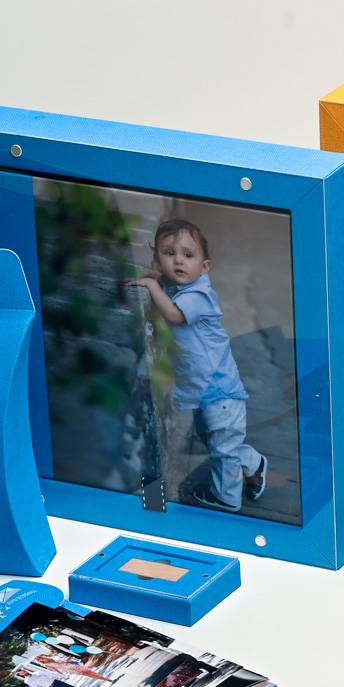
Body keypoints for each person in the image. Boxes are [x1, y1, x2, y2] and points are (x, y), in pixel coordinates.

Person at [130, 218, 267, 512]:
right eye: (169, 254)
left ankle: (227, 498)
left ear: (204, 267)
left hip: (220, 390)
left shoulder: (198, 295)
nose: (178, 261)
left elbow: (174, 315)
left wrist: (152, 285)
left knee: (222, 445)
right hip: (203, 390)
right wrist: (159, 278)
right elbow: (169, 283)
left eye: (188, 255)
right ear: (157, 257)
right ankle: (252, 462)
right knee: (216, 440)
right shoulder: (179, 286)